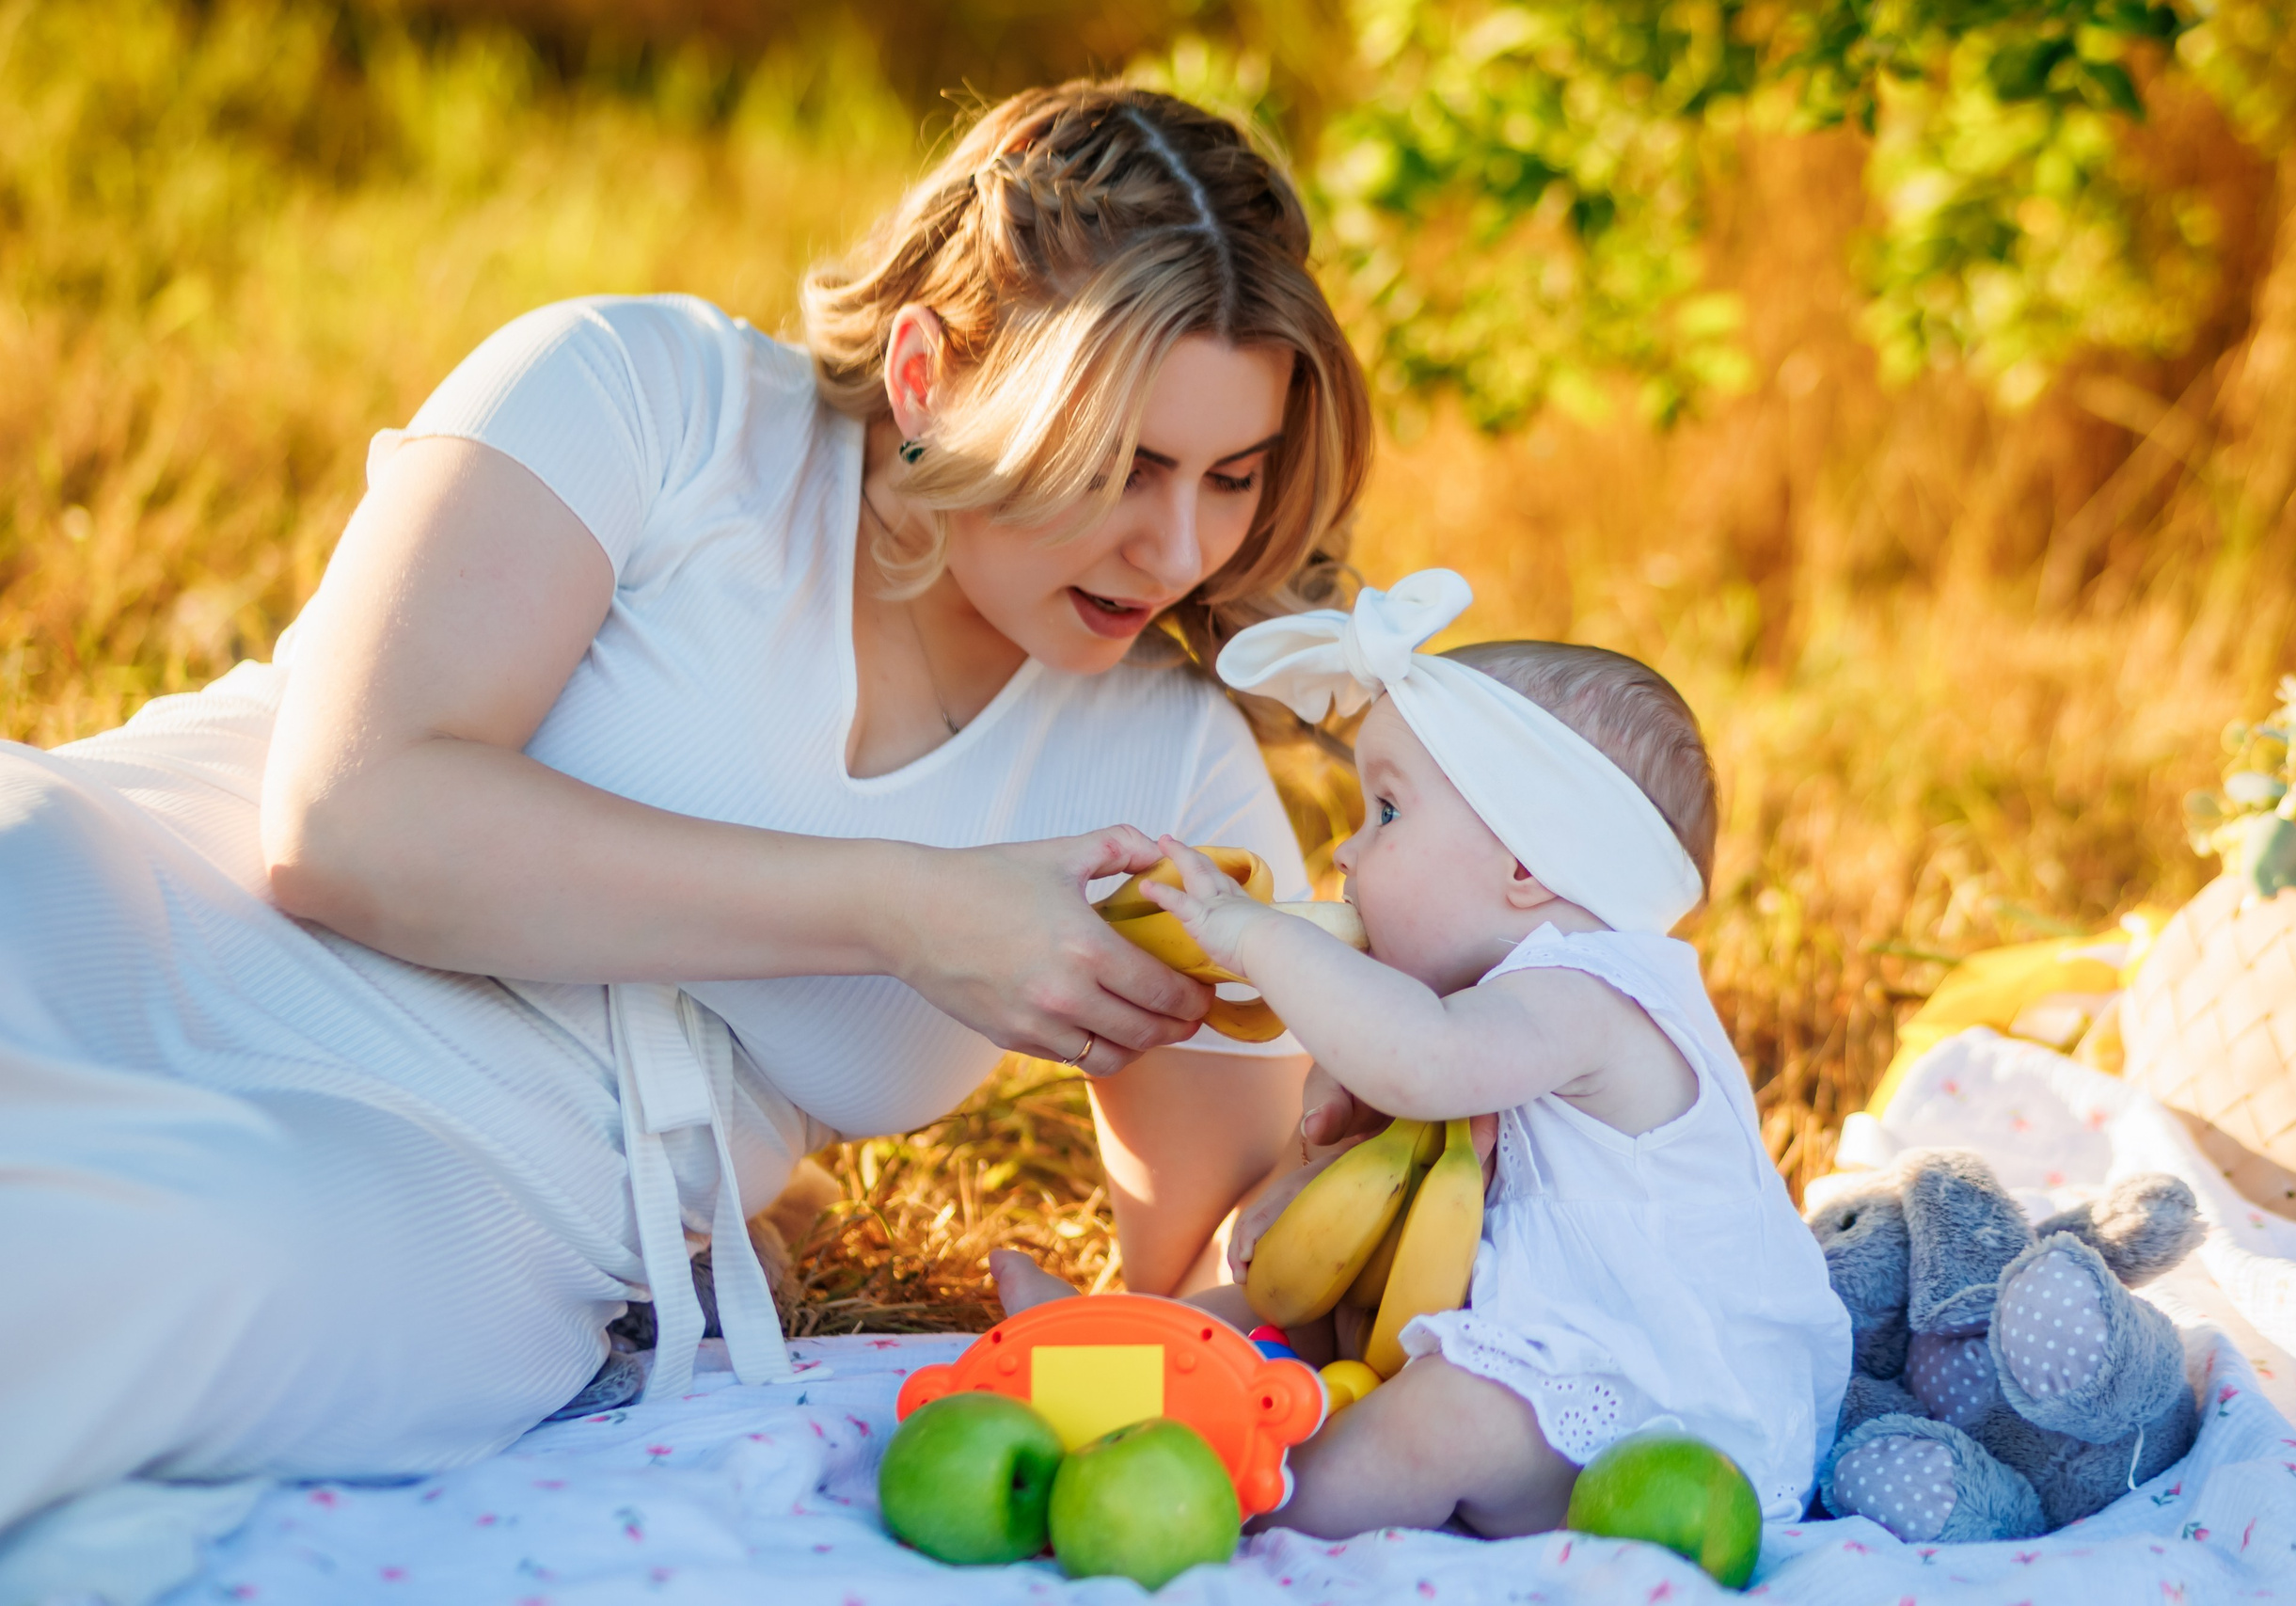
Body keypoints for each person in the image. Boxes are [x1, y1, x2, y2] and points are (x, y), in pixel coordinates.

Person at [0, 81, 1374, 1549]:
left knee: (129, 1268)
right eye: (1121, 464)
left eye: (1232, 477)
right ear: (926, 373)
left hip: (450, 1191)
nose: (1176, 547)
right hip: (152, 899)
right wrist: (903, 904)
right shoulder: (650, 400)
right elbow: (345, 822)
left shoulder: (1161, 767)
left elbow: (1223, 1264)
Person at [995, 569, 1852, 1538]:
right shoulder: (1477, 1008)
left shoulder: (1594, 994)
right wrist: (1304, 1170)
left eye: (1388, 814)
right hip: (1521, 1338)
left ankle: (1247, 1497)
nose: (1349, 855)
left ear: (1529, 867)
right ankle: (1090, 1365)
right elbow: (1362, 1158)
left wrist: (1254, 936)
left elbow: (1423, 1061)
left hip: (1661, 1402)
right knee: (1286, 1317)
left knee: (1447, 1417)